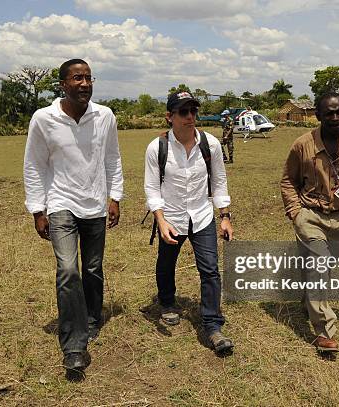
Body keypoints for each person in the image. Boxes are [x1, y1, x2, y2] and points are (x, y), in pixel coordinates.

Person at [23, 59, 123, 374]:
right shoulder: (44, 118)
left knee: (92, 268)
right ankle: (74, 345)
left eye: (88, 78)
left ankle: (92, 317)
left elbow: (112, 157)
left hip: (94, 203)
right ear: (63, 84)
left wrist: (115, 197)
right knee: (68, 270)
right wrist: (37, 209)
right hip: (60, 202)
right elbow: (34, 164)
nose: (84, 83)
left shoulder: (104, 115)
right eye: (77, 78)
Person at [280, 92, 339, 352]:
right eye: (329, 113)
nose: (335, 117)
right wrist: (295, 212)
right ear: (318, 115)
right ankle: (324, 330)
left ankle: (307, 301)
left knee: (325, 269)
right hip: (309, 215)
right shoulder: (303, 145)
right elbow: (288, 180)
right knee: (318, 264)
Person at [144, 91, 234, 355]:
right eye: (183, 112)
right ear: (169, 116)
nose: (190, 117)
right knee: (166, 262)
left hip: (202, 214)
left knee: (210, 269)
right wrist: (160, 221)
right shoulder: (157, 148)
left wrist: (225, 216)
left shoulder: (211, 144)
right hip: (170, 216)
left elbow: (219, 181)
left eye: (193, 111)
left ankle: (212, 325)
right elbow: (151, 188)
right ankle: (168, 303)